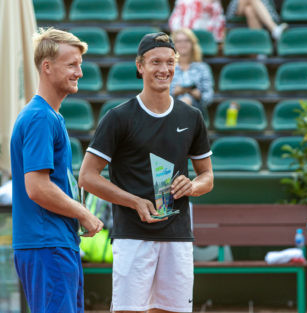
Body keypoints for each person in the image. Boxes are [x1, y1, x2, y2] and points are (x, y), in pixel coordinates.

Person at [78, 32, 214, 313]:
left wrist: (192, 186)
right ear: (140, 66)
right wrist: (134, 202)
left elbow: (207, 177)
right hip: (132, 236)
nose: (164, 69)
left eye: (169, 62)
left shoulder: (191, 117)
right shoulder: (118, 117)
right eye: (155, 62)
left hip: (178, 235)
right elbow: (87, 177)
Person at [10, 27, 103, 313]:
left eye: (80, 65)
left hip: (53, 242)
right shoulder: (40, 117)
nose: (80, 72)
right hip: (48, 243)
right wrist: (83, 213)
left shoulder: (47, 115)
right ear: (47, 67)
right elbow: (37, 188)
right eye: (72, 65)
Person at [170, 28, 214, 114]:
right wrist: (174, 92)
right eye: (178, 41)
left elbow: (209, 97)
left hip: (197, 110)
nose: (183, 44)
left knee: (187, 101)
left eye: (186, 41)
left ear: (192, 44)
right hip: (171, 110)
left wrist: (199, 95)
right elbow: (160, 98)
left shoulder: (202, 68)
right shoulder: (167, 69)